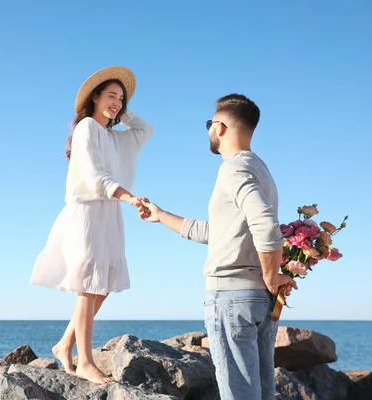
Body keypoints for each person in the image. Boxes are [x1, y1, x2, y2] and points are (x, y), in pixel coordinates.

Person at [139, 94, 296, 399]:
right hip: (257, 301)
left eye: (209, 124)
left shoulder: (233, 169)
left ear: (220, 127)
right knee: (260, 393)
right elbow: (221, 233)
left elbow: (265, 226)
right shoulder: (260, 169)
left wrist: (272, 274)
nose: (209, 130)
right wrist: (160, 216)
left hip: (231, 297)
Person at [30, 66, 153, 384]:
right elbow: (93, 174)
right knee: (88, 284)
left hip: (109, 212)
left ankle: (65, 343)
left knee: (104, 284)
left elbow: (144, 130)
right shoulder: (86, 127)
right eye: (110, 95)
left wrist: (122, 113)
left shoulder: (114, 136)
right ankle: (84, 361)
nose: (116, 102)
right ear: (94, 97)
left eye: (121, 98)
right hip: (88, 211)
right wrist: (128, 197)